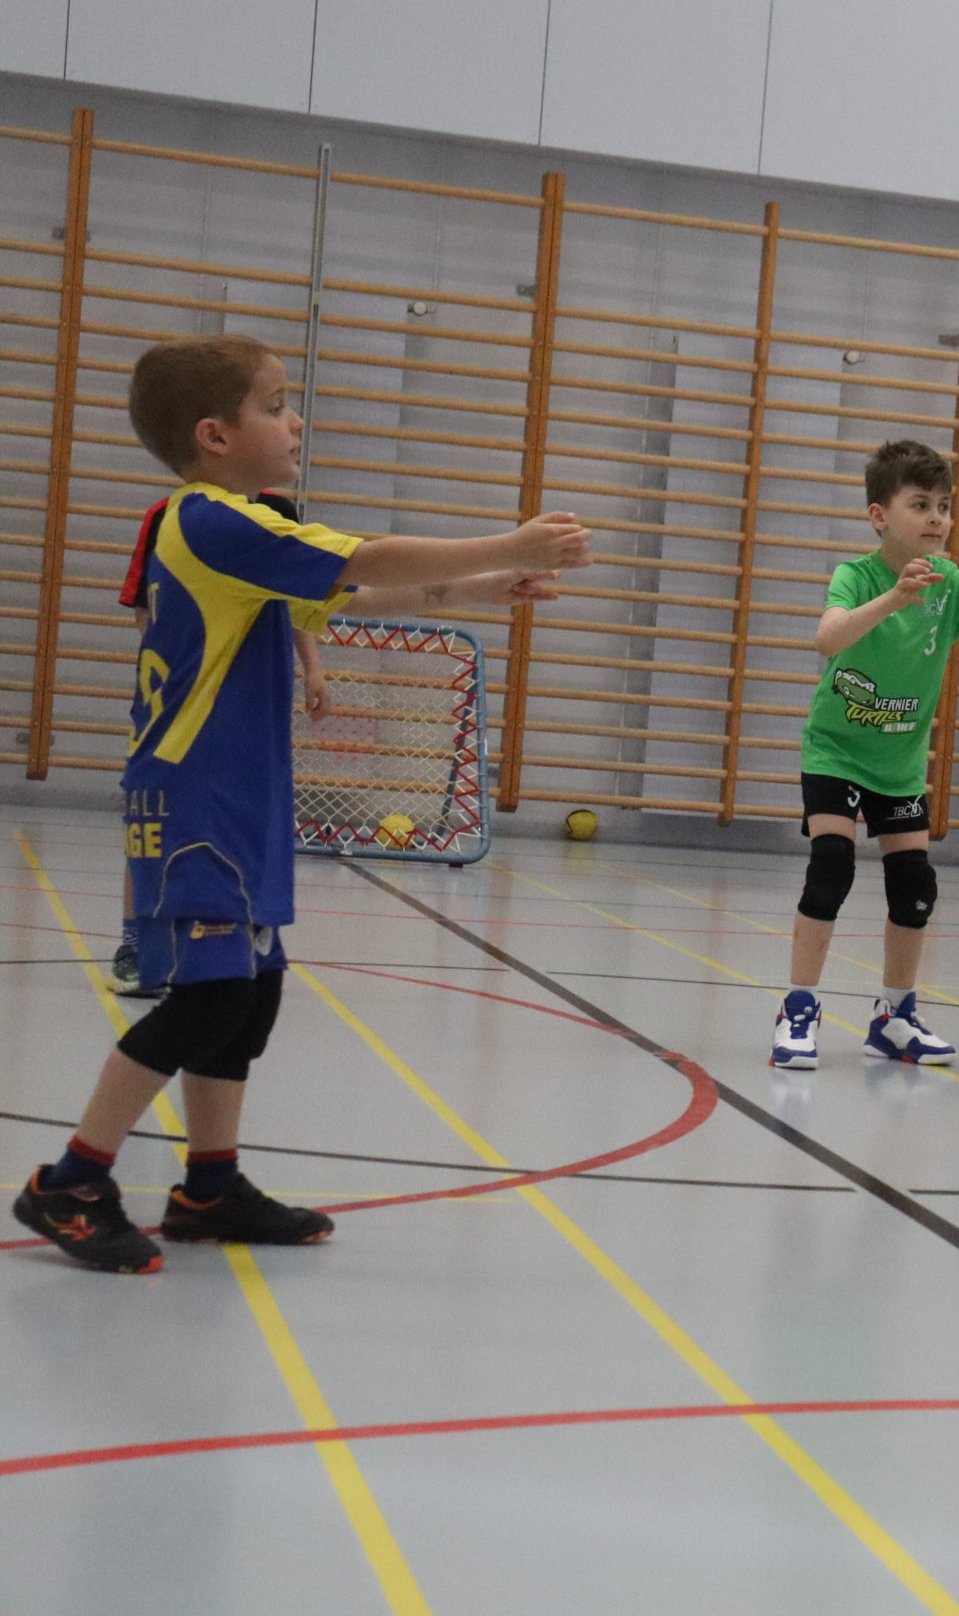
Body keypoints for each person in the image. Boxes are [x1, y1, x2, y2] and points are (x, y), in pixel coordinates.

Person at [13, 333, 587, 1274]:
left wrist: (490, 586)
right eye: (276, 405)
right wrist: (508, 541)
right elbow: (369, 555)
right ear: (215, 434)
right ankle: (69, 1180)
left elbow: (347, 595)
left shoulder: (240, 536)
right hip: (197, 795)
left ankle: (209, 1184)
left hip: (242, 797)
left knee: (252, 992)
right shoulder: (209, 521)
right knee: (210, 998)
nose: (295, 421)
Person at [770, 440, 959, 1071]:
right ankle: (798, 1009)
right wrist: (895, 598)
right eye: (921, 504)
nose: (937, 518)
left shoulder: (950, 584)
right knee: (831, 868)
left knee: (914, 885)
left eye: (944, 506)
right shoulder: (857, 576)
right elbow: (827, 639)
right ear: (880, 515)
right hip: (836, 750)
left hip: (899, 763)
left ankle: (894, 1017)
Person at [107, 487, 330, 1000]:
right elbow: (146, 611)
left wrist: (314, 667)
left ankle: (235, 933)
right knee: (156, 827)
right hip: (181, 705)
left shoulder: (277, 510)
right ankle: (137, 942)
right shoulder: (174, 517)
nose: (293, 441)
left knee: (244, 821)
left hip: (247, 708)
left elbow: (300, 597)